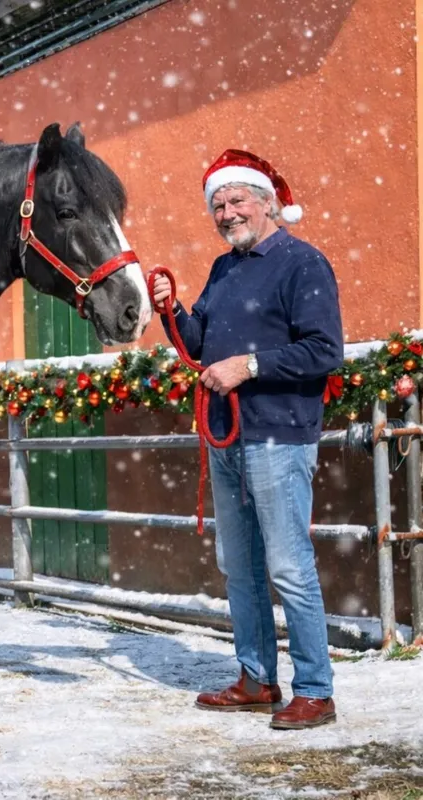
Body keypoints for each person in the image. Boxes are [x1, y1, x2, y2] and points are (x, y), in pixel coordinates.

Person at [151, 149, 344, 730]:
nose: (227, 212)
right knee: (240, 566)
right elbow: (199, 341)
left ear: (267, 203)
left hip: (278, 436)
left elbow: (323, 350)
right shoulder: (223, 268)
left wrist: (249, 367)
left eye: (237, 200)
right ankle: (257, 678)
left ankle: (316, 690)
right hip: (225, 437)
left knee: (288, 566)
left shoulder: (301, 263)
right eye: (218, 204)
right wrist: (172, 309)